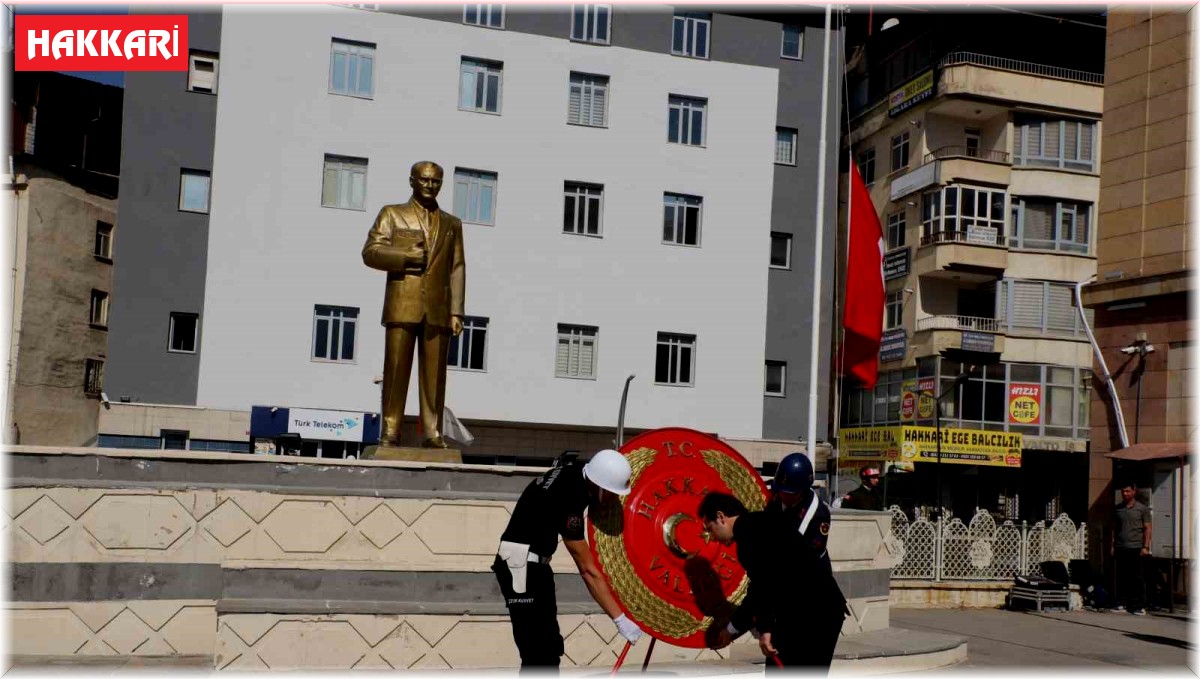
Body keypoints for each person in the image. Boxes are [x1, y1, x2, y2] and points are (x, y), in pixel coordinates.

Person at [493, 449, 643, 671]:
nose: (614, 499)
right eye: (612, 493)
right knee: (538, 654)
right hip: (520, 567)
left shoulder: (571, 472)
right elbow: (587, 570)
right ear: (599, 485)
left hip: (534, 566)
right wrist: (620, 619)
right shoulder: (570, 497)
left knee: (550, 648)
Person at [362, 161, 466, 449]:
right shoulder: (393, 214)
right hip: (402, 305)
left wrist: (456, 311)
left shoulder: (452, 224)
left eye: (436, 181)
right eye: (424, 180)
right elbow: (370, 252)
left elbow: (457, 268)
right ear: (412, 181)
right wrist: (404, 257)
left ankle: (433, 432)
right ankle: (390, 430)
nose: (430, 186)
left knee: (435, 377)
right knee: (396, 371)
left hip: (438, 309)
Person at [701, 490, 847, 673]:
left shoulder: (749, 536)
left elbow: (763, 587)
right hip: (817, 609)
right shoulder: (759, 523)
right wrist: (731, 630)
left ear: (721, 517)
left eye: (709, 529)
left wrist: (765, 629)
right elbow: (761, 588)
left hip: (814, 613)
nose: (712, 537)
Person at [1110, 482, 1151, 615]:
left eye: (1127, 491)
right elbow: (1114, 528)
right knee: (1121, 576)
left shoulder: (1142, 509)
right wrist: (1112, 545)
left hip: (1136, 547)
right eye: (1123, 491)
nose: (1125, 494)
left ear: (1134, 491)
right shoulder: (1118, 509)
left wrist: (1145, 546)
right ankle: (1121, 603)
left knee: (1137, 577)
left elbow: (1147, 528)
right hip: (1121, 546)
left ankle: (1140, 605)